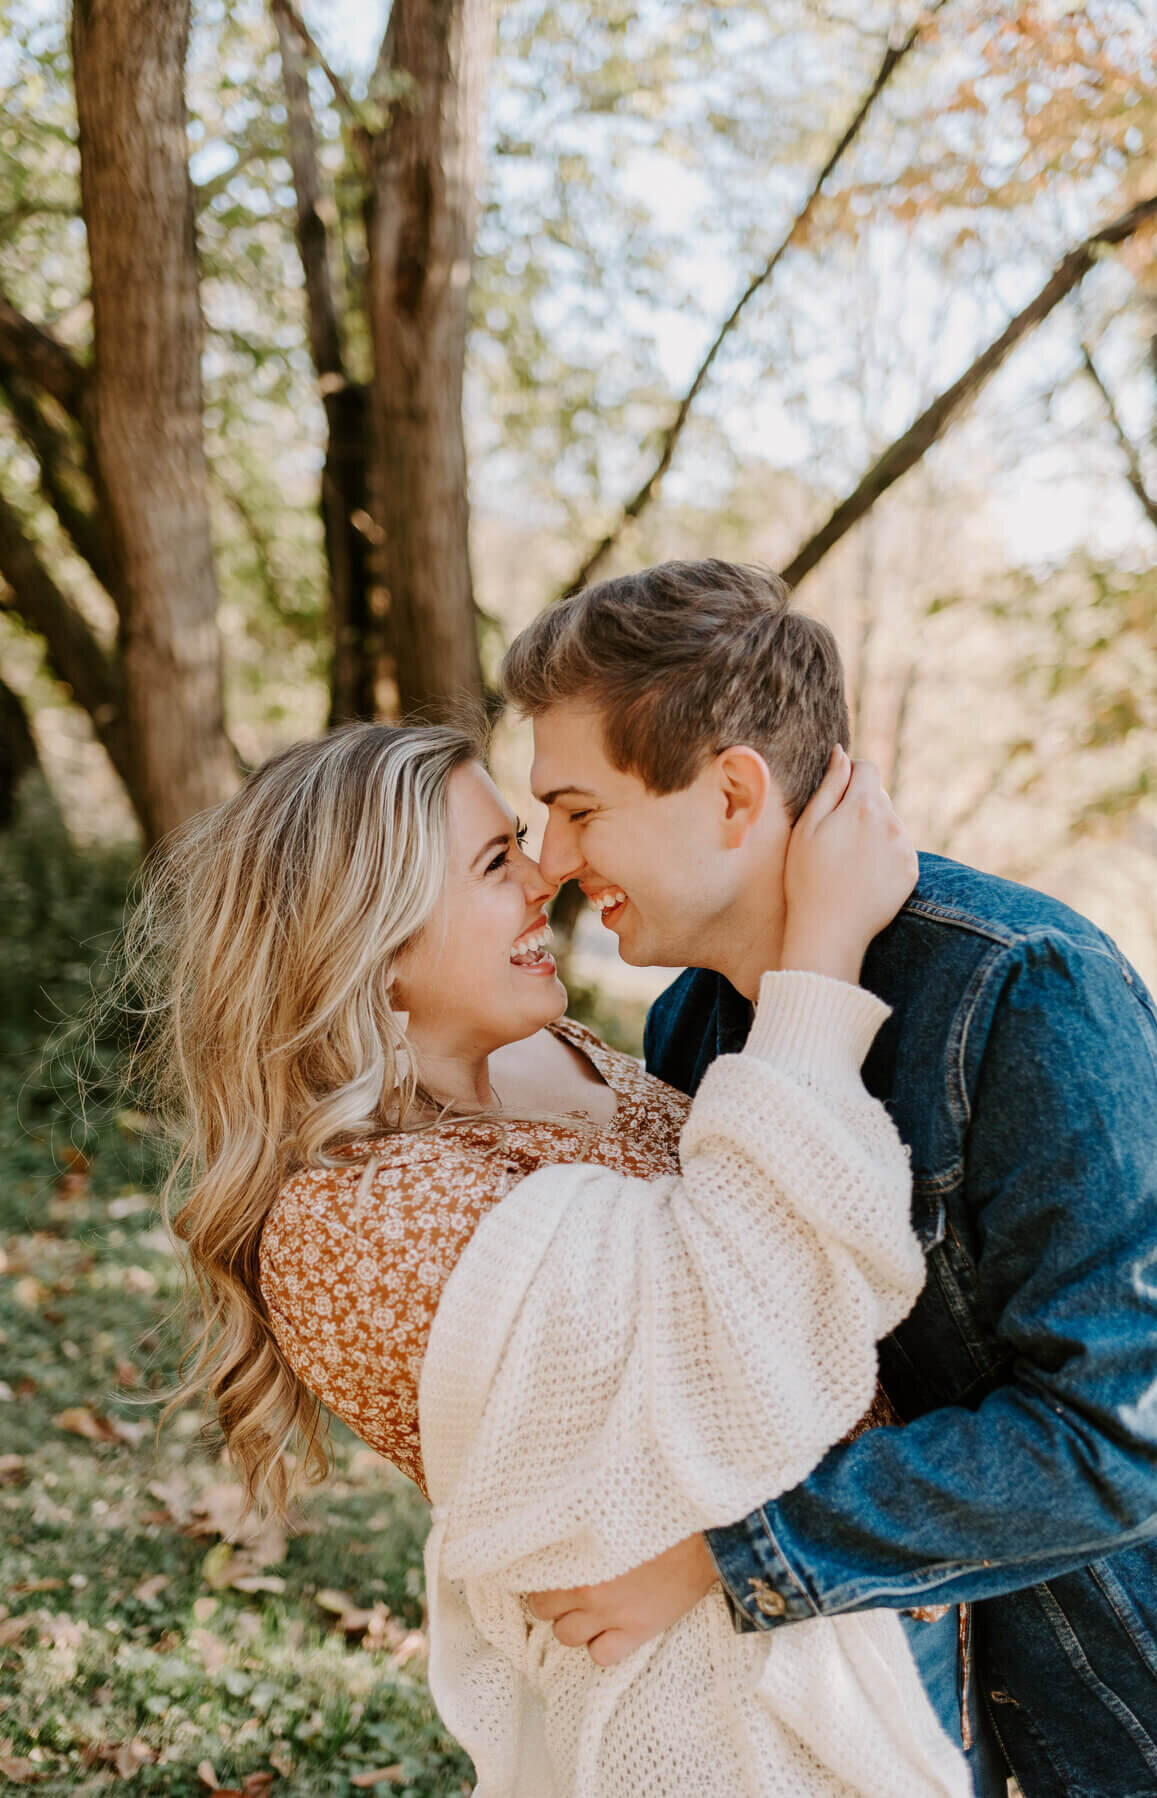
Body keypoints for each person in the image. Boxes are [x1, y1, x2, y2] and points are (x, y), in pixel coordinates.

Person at [135, 719, 971, 1797]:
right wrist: (821, 960)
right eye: (496, 863)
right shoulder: (354, 1227)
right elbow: (734, 1350)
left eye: (527, 838)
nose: (548, 878)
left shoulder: (541, 1051)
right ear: (373, 950)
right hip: (724, 1728)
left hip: (879, 1612)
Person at [500, 556, 1157, 1798]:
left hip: (1132, 1699)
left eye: (579, 807)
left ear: (731, 792)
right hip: (892, 1706)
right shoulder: (693, 1028)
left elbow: (1123, 1439)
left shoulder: (1026, 990)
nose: (549, 856)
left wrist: (729, 1552)